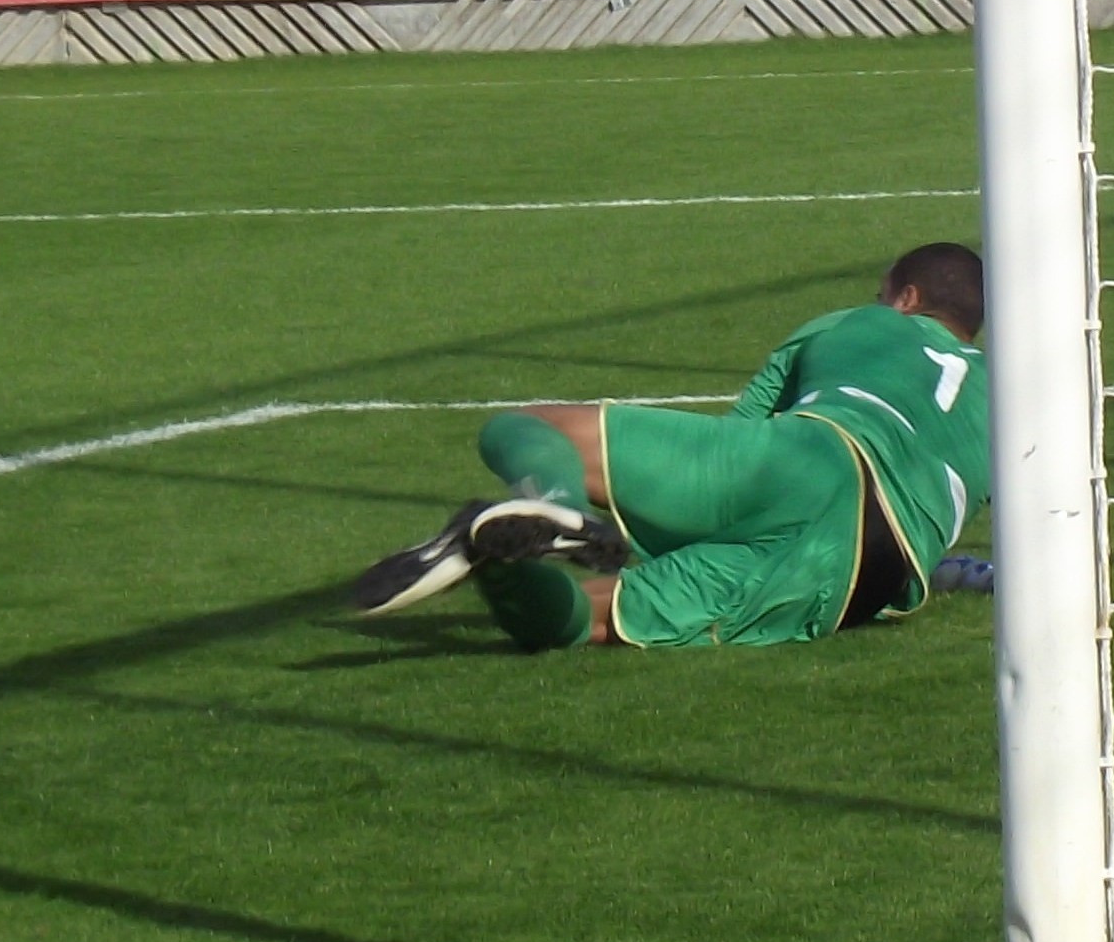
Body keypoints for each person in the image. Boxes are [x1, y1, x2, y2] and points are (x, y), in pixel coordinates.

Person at [352, 242, 991, 651]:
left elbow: (745, 427)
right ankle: (507, 568)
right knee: (591, 620)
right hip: (871, 575)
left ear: (904, 299)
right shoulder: (1004, 396)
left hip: (808, 458)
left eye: (882, 292)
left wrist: (688, 519)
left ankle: (554, 505)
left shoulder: (863, 323)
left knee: (530, 427)